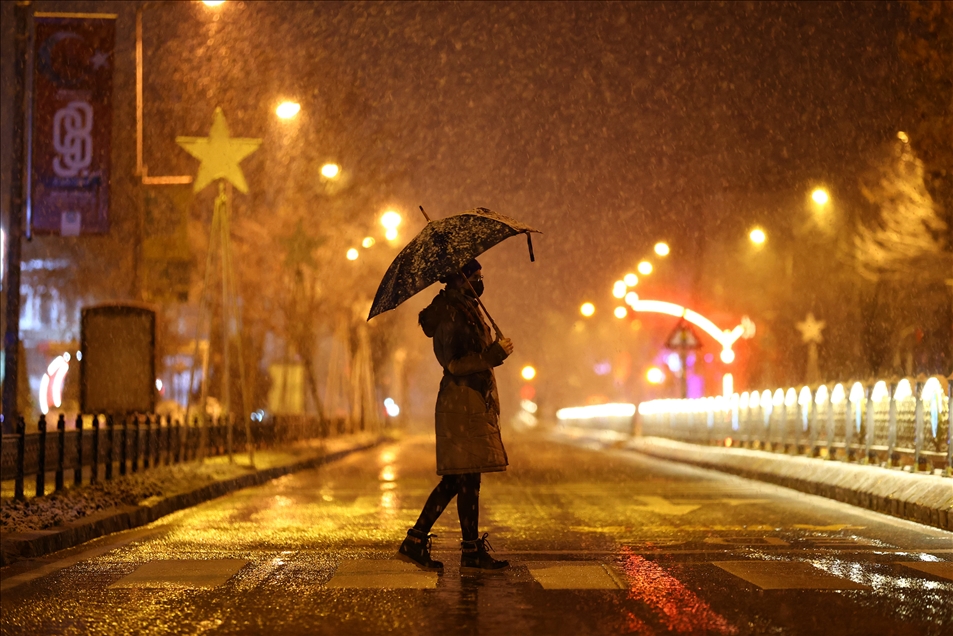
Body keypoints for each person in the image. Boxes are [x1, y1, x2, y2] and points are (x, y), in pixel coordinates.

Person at [397, 258, 514, 573]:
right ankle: (428, 542)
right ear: (461, 279)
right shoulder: (452, 313)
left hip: (470, 400)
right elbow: (455, 364)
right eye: (476, 275)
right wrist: (493, 355)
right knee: (461, 479)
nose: (480, 280)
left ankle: (454, 547)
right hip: (461, 402)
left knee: (465, 479)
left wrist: (493, 350)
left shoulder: (465, 308)